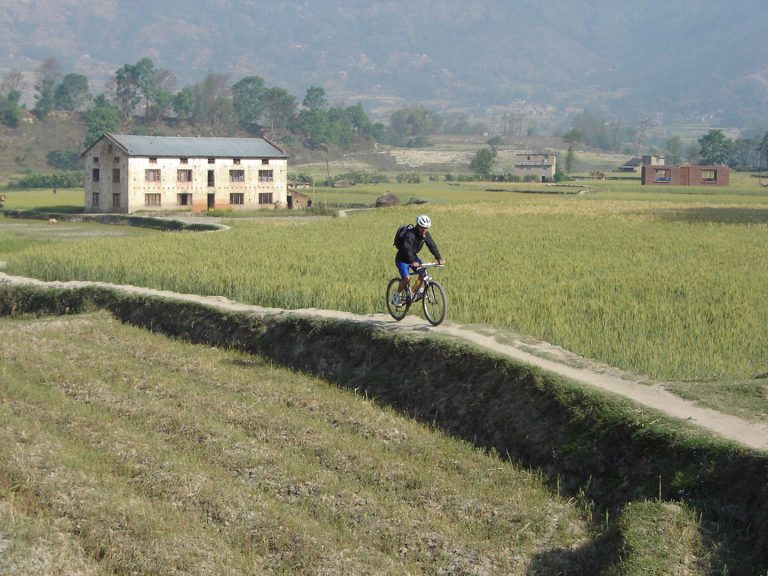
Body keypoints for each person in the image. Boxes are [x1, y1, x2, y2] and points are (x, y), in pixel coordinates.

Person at [393, 214, 445, 305]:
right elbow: (407, 249)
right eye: (423, 227)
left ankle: (415, 292)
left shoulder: (425, 235)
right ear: (418, 226)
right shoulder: (410, 234)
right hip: (402, 259)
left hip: (413, 257)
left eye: (427, 227)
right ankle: (396, 296)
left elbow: (432, 245)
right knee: (407, 278)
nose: (425, 229)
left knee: (423, 273)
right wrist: (413, 261)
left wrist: (439, 258)